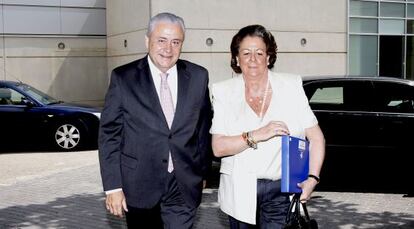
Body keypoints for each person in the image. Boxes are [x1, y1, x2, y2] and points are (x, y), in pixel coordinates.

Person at [98, 12, 212, 228]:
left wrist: (203, 171)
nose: (168, 49)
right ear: (147, 40)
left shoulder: (198, 76)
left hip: (184, 183)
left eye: (175, 42)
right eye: (161, 40)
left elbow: (203, 128)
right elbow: (109, 137)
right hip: (139, 184)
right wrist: (113, 187)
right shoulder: (123, 78)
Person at [210, 24, 325, 228]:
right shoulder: (223, 92)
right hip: (239, 190)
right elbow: (218, 147)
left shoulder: (291, 86)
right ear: (236, 58)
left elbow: (316, 138)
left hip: (280, 190)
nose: (252, 59)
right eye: (246, 53)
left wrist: (313, 178)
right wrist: (257, 134)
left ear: (269, 57)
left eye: (259, 52)